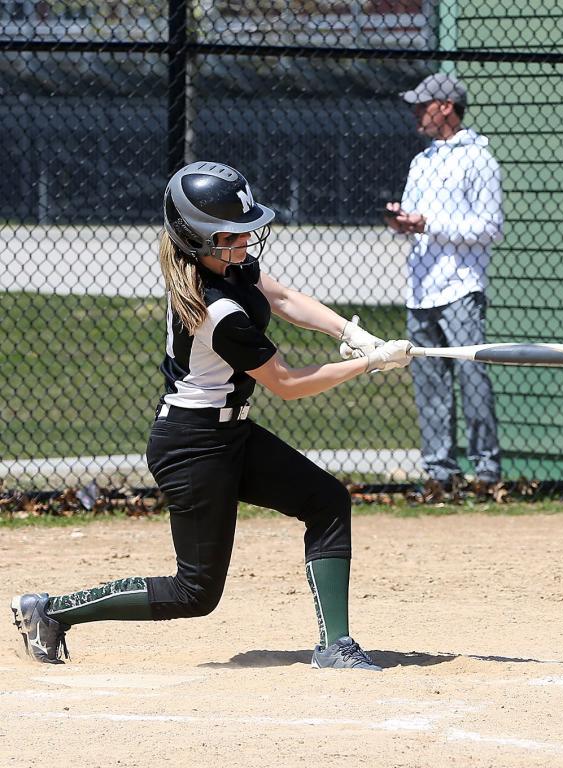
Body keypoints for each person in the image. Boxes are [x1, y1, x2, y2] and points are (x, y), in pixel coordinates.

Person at [10, 161, 413, 669]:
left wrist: (352, 335)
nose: (246, 241)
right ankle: (51, 610)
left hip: (231, 434)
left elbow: (285, 297)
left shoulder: (229, 265)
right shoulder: (216, 310)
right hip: (192, 446)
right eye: (232, 234)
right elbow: (287, 384)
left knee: (328, 501)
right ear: (199, 240)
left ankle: (336, 646)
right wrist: (367, 365)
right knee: (194, 592)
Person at [383, 73, 504, 496]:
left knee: (473, 379)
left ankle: (487, 475)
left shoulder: (479, 159)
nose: (417, 113)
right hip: (421, 288)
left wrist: (430, 224)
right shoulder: (423, 161)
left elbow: (490, 228)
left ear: (446, 107)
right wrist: (403, 221)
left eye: (424, 105)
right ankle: (440, 475)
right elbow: (416, 221)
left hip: (460, 287)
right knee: (430, 383)